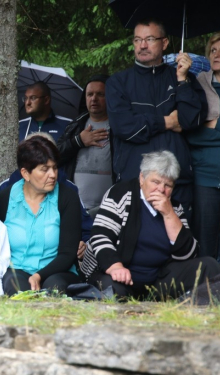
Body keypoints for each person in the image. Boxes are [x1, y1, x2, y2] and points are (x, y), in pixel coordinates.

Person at [82, 151, 220, 299]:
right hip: (119, 275)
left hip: (157, 280)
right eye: (156, 182)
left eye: (168, 185)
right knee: (111, 290)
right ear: (142, 178)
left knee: (209, 266)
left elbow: (189, 254)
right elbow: (100, 236)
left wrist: (169, 215)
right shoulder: (121, 193)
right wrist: (116, 267)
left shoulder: (174, 207)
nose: (161, 189)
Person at [106, 18, 207, 212]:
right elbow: (124, 127)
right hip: (134, 179)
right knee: (134, 240)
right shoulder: (118, 82)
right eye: (137, 40)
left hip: (177, 182)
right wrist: (166, 122)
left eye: (150, 39)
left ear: (165, 43)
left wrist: (182, 80)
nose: (142, 45)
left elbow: (191, 120)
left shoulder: (183, 78)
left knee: (179, 240)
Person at [0, 135, 82, 295]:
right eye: (44, 169)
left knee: (54, 287)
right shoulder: (5, 198)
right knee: (16, 287)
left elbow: (68, 254)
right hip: (18, 269)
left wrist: (39, 275)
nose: (53, 175)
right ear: (25, 173)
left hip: (58, 271)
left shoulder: (67, 197)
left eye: (54, 167)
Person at [57, 74, 112, 218]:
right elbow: (54, 156)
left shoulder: (119, 126)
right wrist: (78, 141)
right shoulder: (75, 126)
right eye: (90, 94)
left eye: (100, 94)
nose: (94, 98)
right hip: (77, 207)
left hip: (111, 208)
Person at [187, 32, 220, 260]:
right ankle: (205, 292)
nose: (217, 55)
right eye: (214, 50)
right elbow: (190, 133)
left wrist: (213, 124)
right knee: (205, 241)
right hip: (205, 177)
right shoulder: (198, 84)